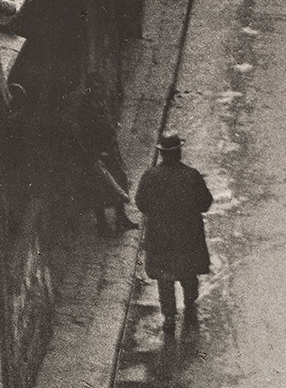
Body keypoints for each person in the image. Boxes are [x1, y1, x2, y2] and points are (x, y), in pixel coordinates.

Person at [134, 133, 214, 337]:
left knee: (164, 275)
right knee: (187, 270)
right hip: (187, 235)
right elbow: (205, 203)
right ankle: (189, 300)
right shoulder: (191, 175)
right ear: (179, 152)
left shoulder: (150, 176)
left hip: (160, 235)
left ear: (160, 154)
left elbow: (141, 203)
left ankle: (169, 316)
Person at [75, 76, 136, 235]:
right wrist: (96, 153)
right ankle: (102, 226)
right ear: (90, 89)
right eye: (95, 87)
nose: (99, 91)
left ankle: (121, 218)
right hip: (96, 155)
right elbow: (84, 134)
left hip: (109, 150)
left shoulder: (100, 102)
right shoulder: (85, 108)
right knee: (98, 190)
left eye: (100, 87)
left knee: (119, 180)